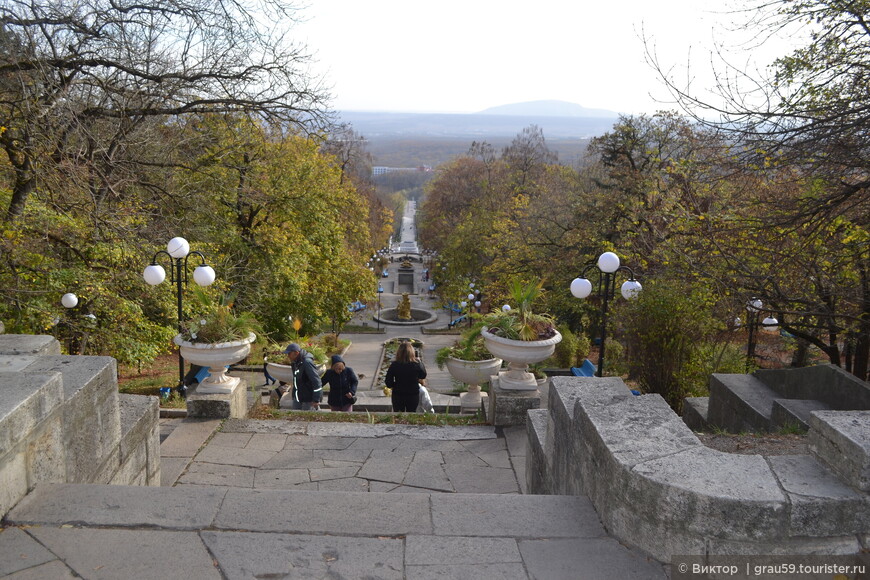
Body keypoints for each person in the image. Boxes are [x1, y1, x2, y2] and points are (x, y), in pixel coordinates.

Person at [385, 341, 427, 412]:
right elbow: (423, 375)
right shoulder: (416, 365)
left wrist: (395, 385)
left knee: (398, 415)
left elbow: (388, 383)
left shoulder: (394, 365)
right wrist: (419, 362)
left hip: (398, 394)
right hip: (413, 394)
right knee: (411, 415)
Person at [281, 343, 322, 410]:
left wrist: (316, 399)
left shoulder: (307, 362)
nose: (288, 356)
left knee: (307, 419)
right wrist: (294, 395)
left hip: (308, 400)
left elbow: (316, 381)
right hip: (298, 398)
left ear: (296, 353)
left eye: (289, 354)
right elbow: (296, 380)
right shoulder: (295, 362)